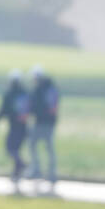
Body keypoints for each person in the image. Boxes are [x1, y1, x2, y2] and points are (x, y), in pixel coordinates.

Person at [0, 69, 31, 195]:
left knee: (9, 148)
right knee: (16, 150)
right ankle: (16, 174)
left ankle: (21, 165)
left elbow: (3, 110)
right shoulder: (25, 94)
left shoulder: (10, 94)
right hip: (24, 127)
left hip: (15, 127)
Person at [27, 64, 61, 193]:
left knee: (49, 148)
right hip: (38, 123)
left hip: (47, 124)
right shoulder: (37, 90)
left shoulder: (49, 89)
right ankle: (36, 169)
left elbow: (53, 106)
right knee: (32, 145)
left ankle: (51, 174)